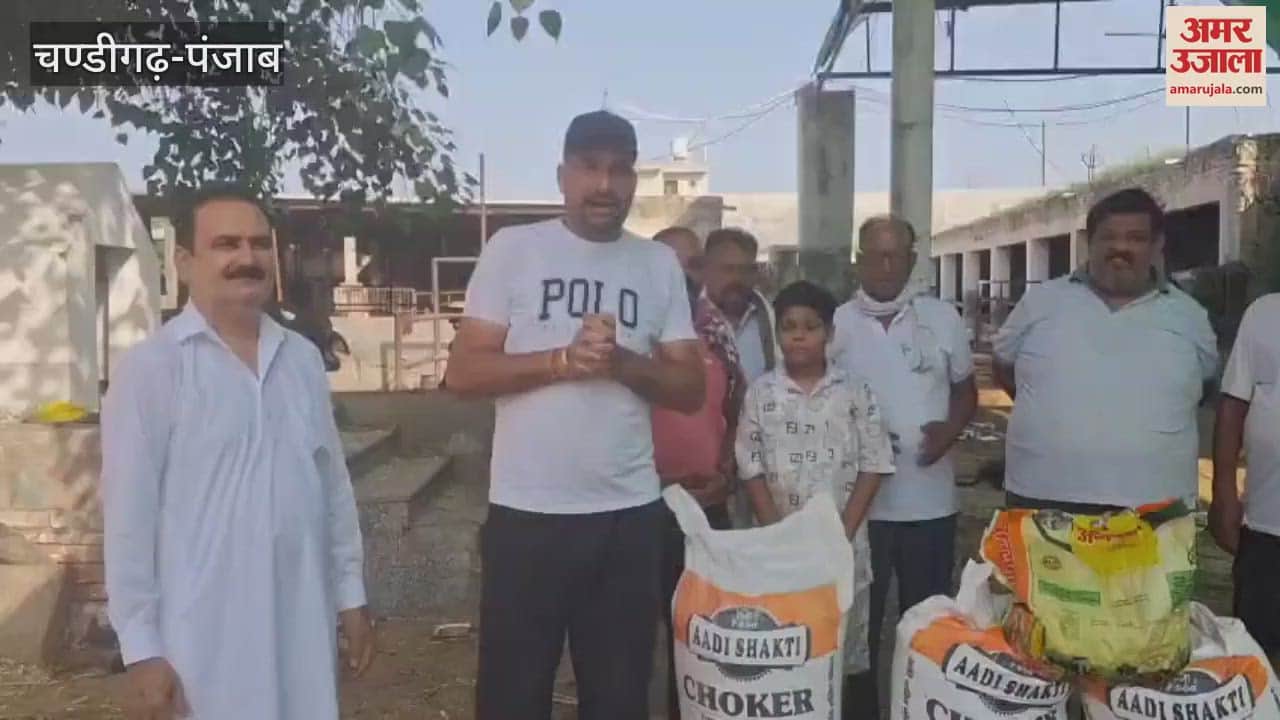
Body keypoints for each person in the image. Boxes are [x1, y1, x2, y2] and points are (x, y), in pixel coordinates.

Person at [443, 110, 704, 720]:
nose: (604, 185)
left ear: (634, 180)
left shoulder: (656, 265)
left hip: (628, 517)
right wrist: (562, 359)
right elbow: (464, 372)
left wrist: (619, 364)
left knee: (617, 696)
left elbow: (690, 388)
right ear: (563, 174)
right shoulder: (514, 250)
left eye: (618, 170)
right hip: (528, 513)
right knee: (513, 695)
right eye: (590, 168)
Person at [101, 185, 374, 720]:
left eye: (258, 244)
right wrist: (143, 649)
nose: (247, 258)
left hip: (301, 625)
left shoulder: (300, 360)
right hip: (201, 642)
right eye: (226, 244)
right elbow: (127, 518)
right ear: (184, 262)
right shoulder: (152, 370)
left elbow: (332, 487)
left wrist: (350, 594)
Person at [830, 215, 978, 717]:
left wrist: (950, 430)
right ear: (858, 261)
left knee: (926, 622)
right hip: (860, 509)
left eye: (897, 255)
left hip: (929, 503)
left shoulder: (943, 319)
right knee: (860, 630)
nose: (886, 265)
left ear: (914, 261)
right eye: (875, 255)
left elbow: (965, 390)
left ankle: (921, 708)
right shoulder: (837, 325)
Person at [993, 187, 1219, 513]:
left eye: (1136, 238)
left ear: (1158, 244)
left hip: (1157, 508)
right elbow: (1005, 368)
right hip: (1040, 499)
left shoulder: (1189, 316)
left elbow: (1204, 385)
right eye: (1109, 237)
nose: (1120, 248)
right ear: (1090, 241)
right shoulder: (1040, 302)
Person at [735, 280, 895, 720]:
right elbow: (750, 467)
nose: (799, 336)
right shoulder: (762, 393)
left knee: (842, 648)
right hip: (779, 549)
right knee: (786, 643)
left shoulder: (853, 391)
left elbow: (874, 462)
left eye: (810, 327)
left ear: (829, 334)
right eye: (789, 327)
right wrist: (779, 534)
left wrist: (841, 534)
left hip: (843, 548)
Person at [651, 225, 745, 720]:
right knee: (631, 640)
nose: (678, 275)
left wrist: (725, 469)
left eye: (688, 265)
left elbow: (738, 401)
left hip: (707, 509)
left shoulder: (716, 331)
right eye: (666, 262)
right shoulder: (629, 332)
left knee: (700, 635)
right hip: (639, 509)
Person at [1210, 292, 1280, 661]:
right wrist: (1223, 492)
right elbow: (1233, 404)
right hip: (1267, 529)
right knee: (1259, 657)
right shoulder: (1265, 313)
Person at [702, 227, 779, 384]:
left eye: (745, 270)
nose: (737, 278)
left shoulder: (772, 322)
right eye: (728, 269)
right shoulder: (687, 317)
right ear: (707, 269)